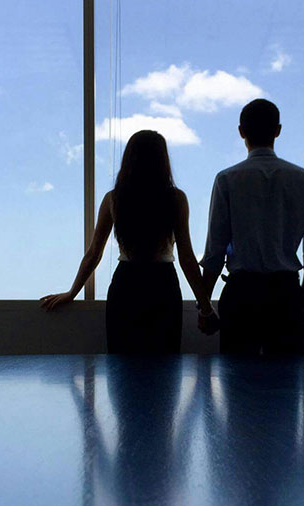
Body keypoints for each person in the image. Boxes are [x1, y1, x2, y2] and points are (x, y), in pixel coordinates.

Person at [40, 130, 218, 353]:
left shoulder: (114, 199)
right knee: (164, 368)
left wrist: (72, 292)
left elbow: (94, 253)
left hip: (126, 284)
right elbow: (187, 258)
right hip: (163, 285)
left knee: (122, 365)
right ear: (163, 160)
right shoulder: (175, 199)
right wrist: (205, 307)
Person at [199, 99, 304, 355]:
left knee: (238, 387)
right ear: (278, 130)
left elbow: (215, 250)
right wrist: (301, 301)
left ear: (241, 132)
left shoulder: (227, 179)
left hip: (241, 294)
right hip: (285, 293)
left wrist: (205, 307)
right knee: (286, 386)